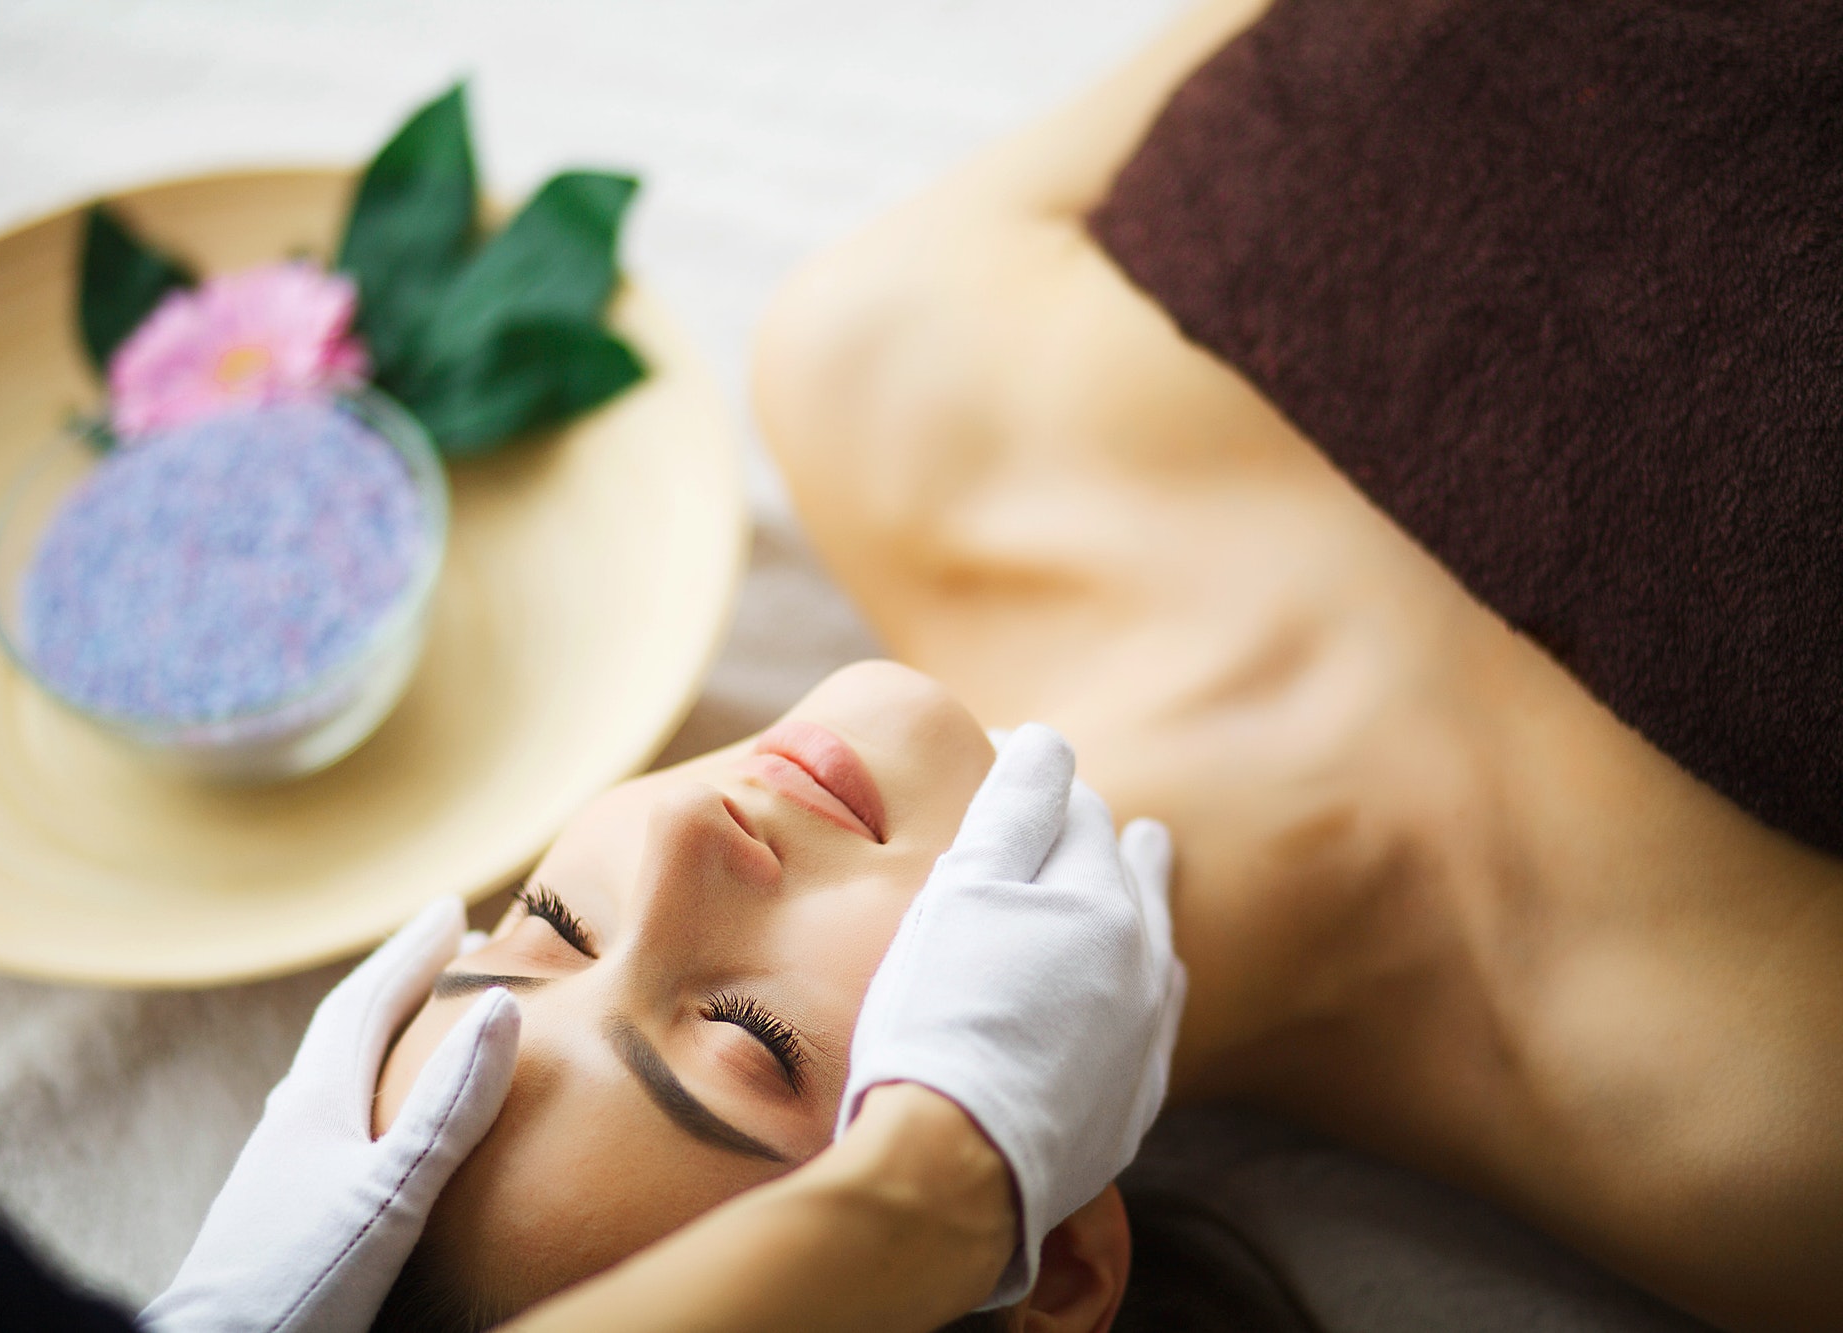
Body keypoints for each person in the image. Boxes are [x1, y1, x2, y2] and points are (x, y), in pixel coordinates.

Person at [749, 0, 1843, 1330]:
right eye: (743, 1040)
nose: (675, 850)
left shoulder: (883, 372)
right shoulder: (1767, 1122)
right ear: (1020, 1257)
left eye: (546, 930)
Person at [140, 660, 1183, 1333]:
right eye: (751, 1043)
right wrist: (931, 1186)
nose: (681, 827)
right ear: (1052, 1272)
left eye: (552, 923)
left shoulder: (853, 387)